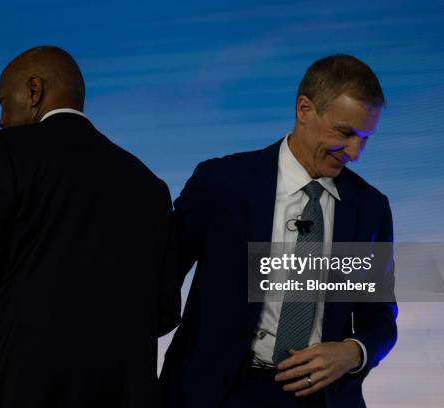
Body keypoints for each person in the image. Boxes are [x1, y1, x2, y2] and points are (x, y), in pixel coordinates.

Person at [0, 46, 179, 407]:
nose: (0, 119)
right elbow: (163, 313)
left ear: (34, 91)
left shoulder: (3, 152)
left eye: (2, 102)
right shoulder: (149, 187)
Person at [160, 55, 398, 408]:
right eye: (345, 134)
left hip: (322, 397)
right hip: (217, 393)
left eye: (365, 139)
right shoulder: (221, 183)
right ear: (304, 109)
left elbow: (379, 318)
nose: (355, 153)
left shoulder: (369, 208)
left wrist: (352, 351)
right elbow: (157, 277)